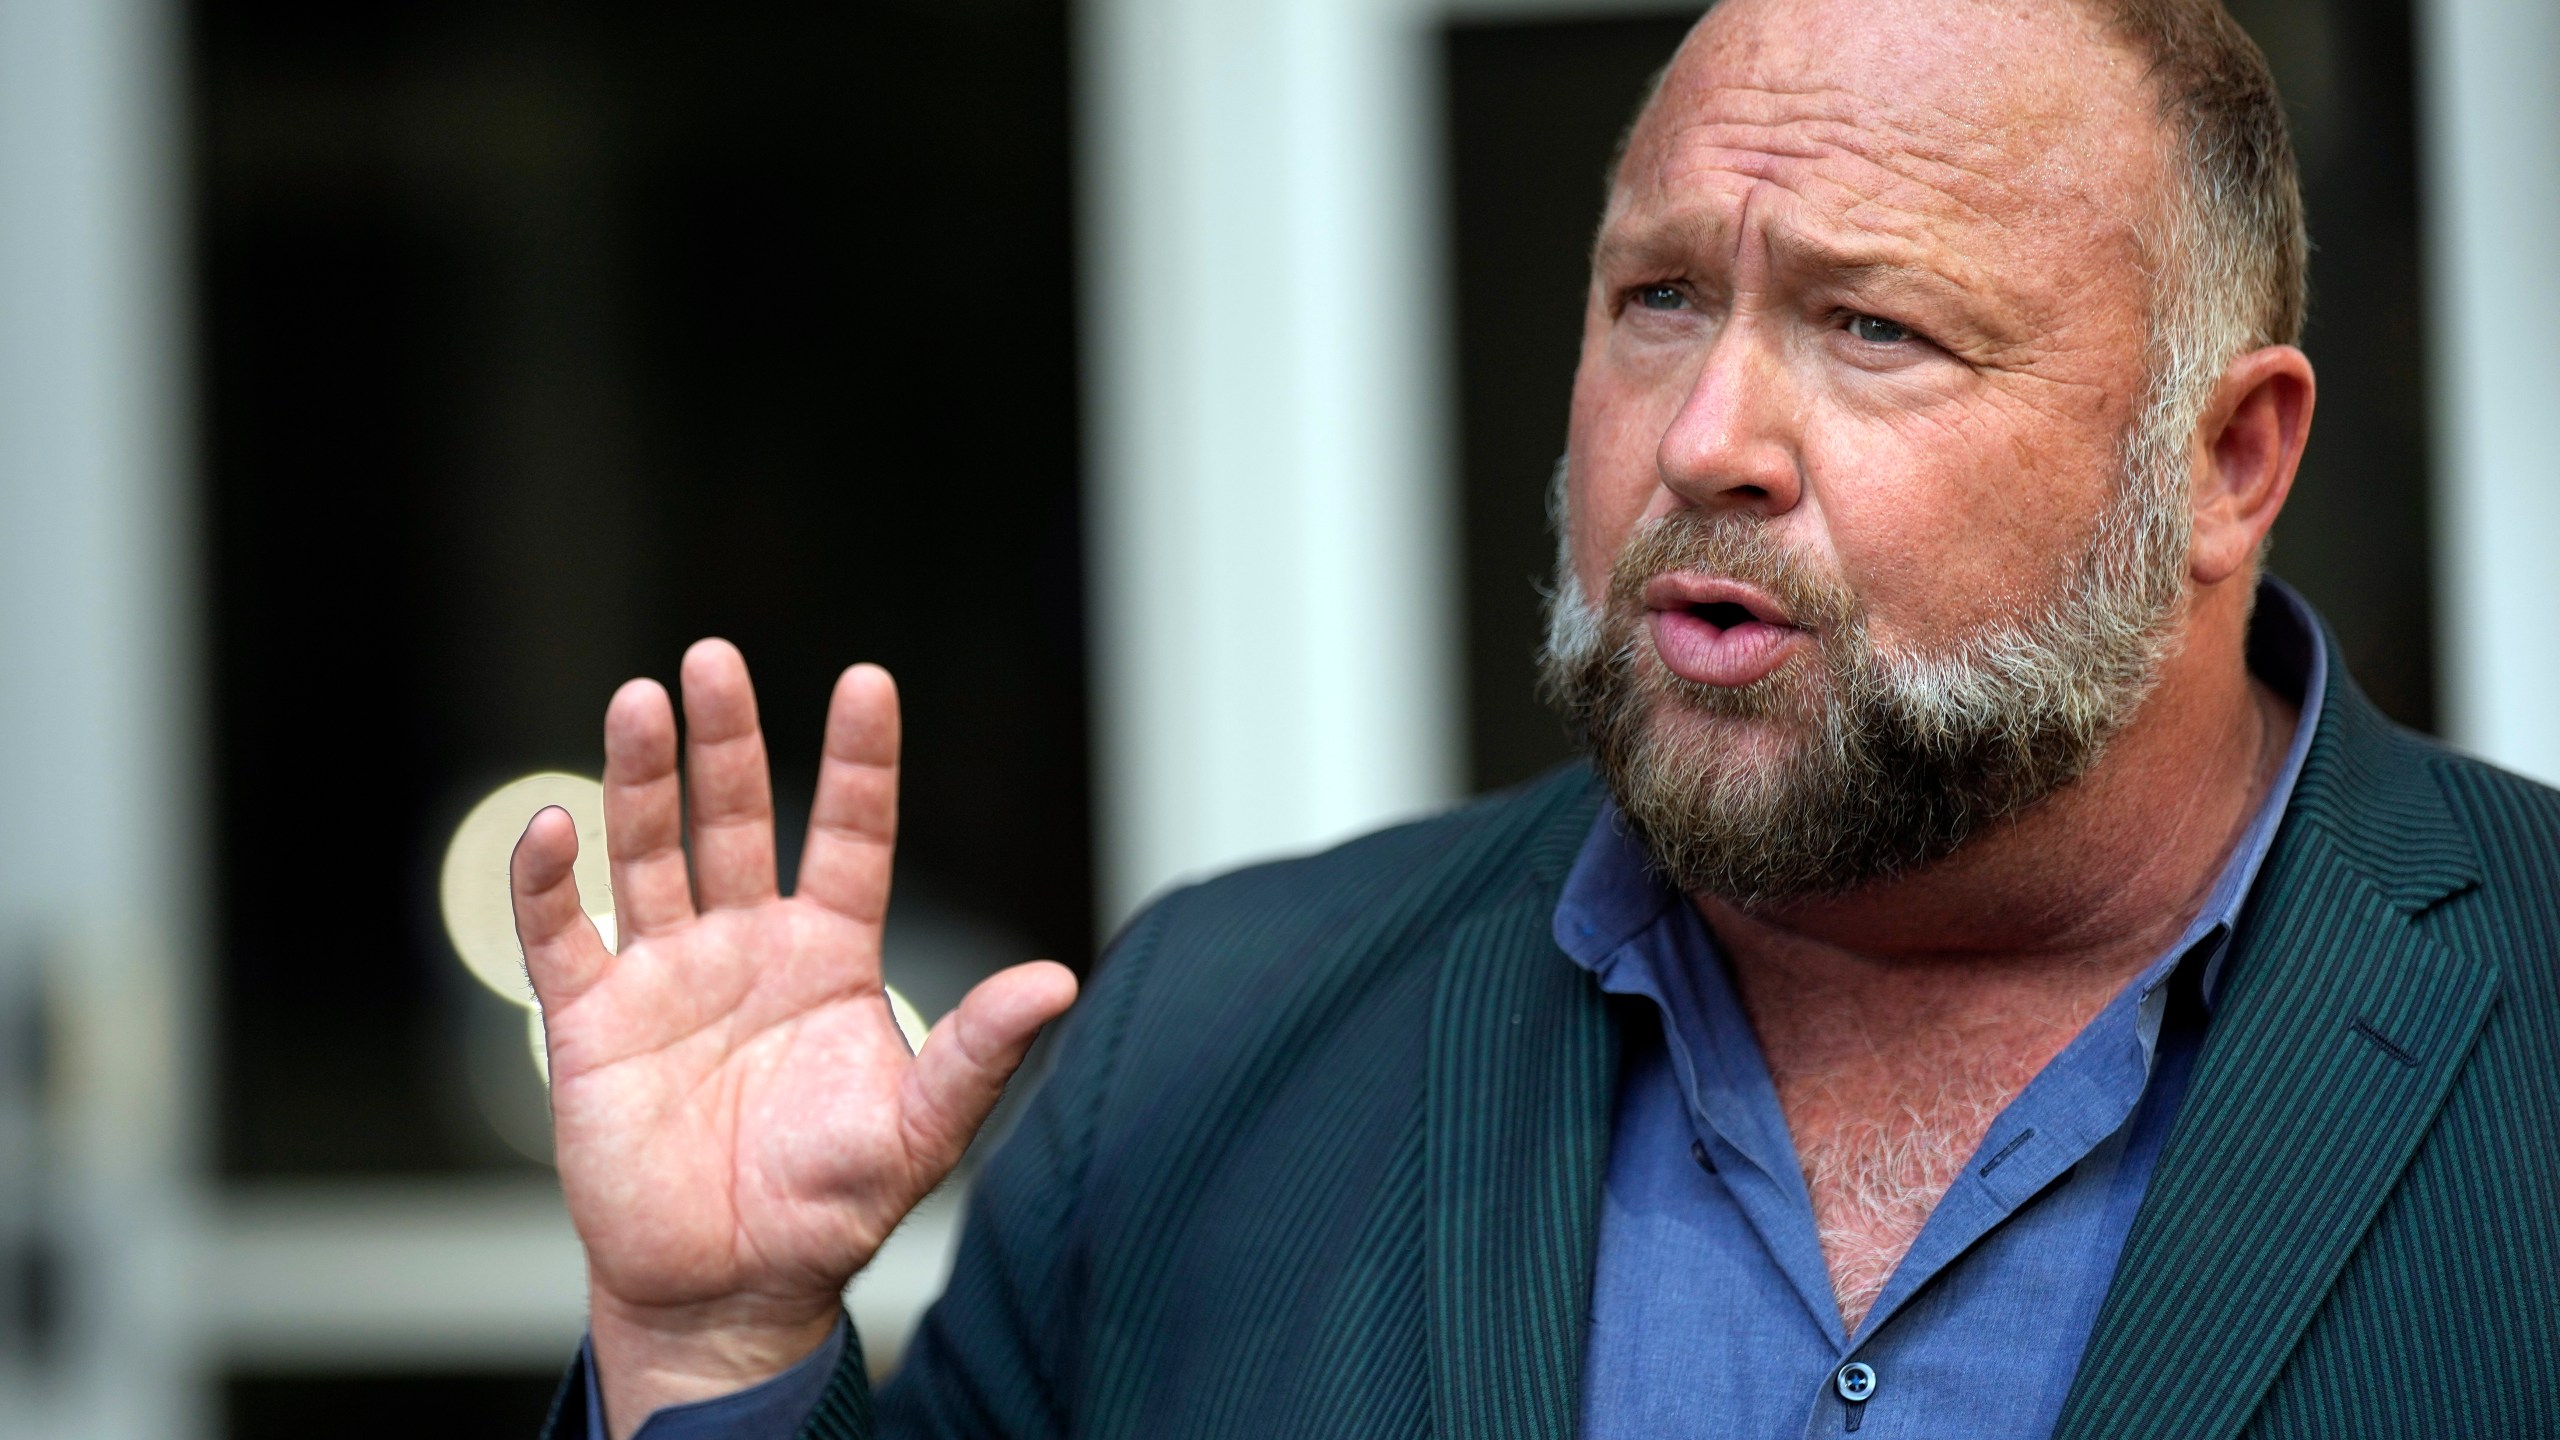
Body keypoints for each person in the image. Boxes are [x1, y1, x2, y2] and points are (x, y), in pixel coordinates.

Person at [511, 0, 2560, 1435]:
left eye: (1869, 325)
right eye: (1657, 296)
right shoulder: (1215, 1038)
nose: (1704, 437)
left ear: (2222, 463)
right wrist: (712, 1348)